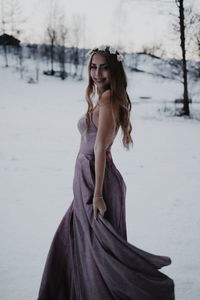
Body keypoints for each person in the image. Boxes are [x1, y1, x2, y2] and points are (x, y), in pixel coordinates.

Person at [36, 45, 175, 300]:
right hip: (87, 178)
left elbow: (100, 148)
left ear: (114, 71)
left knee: (101, 249)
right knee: (79, 239)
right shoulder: (101, 98)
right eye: (93, 66)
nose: (97, 73)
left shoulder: (109, 99)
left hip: (96, 180)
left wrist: (98, 194)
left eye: (104, 67)